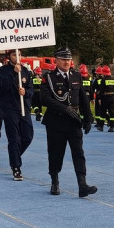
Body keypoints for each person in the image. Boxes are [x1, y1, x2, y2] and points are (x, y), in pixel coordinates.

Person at [41, 47, 96, 197]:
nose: (66, 62)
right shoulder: (49, 77)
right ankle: (55, 181)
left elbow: (83, 98)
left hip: (74, 121)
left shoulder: (76, 75)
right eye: (63, 59)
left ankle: (82, 184)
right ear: (56, 60)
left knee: (78, 153)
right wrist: (64, 109)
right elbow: (44, 98)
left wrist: (88, 118)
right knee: (56, 153)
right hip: (56, 121)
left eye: (68, 59)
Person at [0, 49, 35, 180]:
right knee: (14, 139)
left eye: (19, 54)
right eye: (14, 55)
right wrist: (14, 75)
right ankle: (16, 167)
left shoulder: (25, 71)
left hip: (23, 107)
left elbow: (31, 90)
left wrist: (26, 92)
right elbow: (2, 88)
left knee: (28, 136)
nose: (17, 57)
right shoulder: (2, 71)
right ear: (9, 57)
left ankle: (15, 156)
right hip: (9, 108)